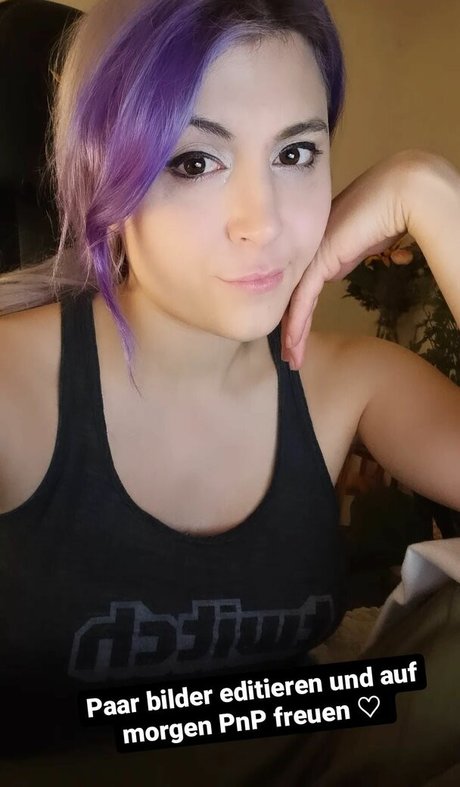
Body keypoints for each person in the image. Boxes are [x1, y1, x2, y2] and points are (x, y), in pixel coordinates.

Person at [0, 0, 459, 781]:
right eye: (193, 162)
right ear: (104, 175)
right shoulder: (14, 387)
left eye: (296, 153)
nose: (262, 222)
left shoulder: (350, 382)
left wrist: (430, 192)